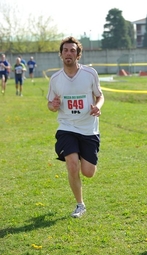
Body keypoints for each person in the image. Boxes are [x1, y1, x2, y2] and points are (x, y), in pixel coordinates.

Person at [47, 36, 104, 218]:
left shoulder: (90, 74)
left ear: (78, 55)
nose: (68, 53)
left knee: (88, 172)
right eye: (65, 50)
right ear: (61, 54)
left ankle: (81, 155)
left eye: (72, 50)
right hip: (67, 127)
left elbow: (100, 96)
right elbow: (50, 103)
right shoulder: (55, 79)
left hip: (89, 129)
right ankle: (80, 205)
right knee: (72, 165)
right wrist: (53, 105)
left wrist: (98, 107)